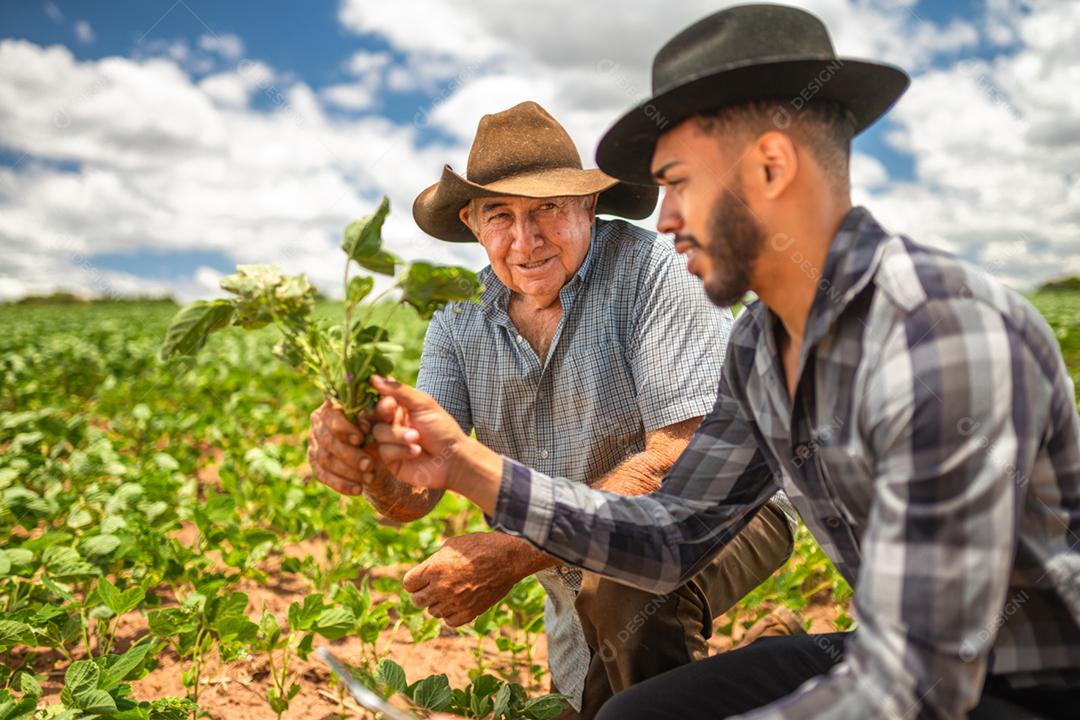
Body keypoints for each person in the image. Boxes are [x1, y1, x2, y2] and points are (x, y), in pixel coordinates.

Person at [358, 5, 1080, 719]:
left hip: (1022, 690)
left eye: (678, 182)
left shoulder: (940, 332)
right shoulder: (764, 344)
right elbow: (672, 534)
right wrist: (463, 464)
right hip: (893, 652)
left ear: (770, 167)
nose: (664, 219)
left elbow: (931, 675)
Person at [307, 100, 797, 718]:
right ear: (472, 222)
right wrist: (370, 464)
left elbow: (680, 465)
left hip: (729, 513)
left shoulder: (652, 271)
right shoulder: (457, 323)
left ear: (587, 206)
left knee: (623, 588)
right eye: (500, 216)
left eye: (547, 211)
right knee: (600, 699)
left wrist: (515, 551)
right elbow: (415, 494)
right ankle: (776, 666)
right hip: (572, 560)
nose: (526, 239)